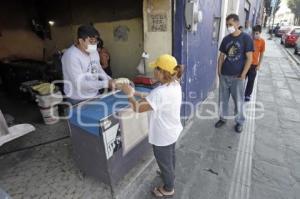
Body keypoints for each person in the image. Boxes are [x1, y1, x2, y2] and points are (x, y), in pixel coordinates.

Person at [120, 54, 183, 197]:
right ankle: (170, 175)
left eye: (156, 68)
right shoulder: (175, 84)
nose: (154, 71)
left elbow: (137, 108)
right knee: (170, 156)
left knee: (164, 161)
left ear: (162, 72)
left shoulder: (160, 92)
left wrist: (129, 94)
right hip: (172, 130)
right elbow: (153, 98)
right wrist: (136, 92)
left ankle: (168, 188)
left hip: (162, 135)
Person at [215, 14, 254, 133]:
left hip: (238, 77)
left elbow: (249, 58)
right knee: (223, 99)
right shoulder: (226, 39)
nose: (229, 27)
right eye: (227, 25)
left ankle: (239, 122)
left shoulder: (246, 38)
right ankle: (222, 118)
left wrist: (243, 74)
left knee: (239, 101)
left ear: (237, 24)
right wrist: (219, 71)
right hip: (225, 75)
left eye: (231, 24)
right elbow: (221, 56)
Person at [62, 25, 115, 105]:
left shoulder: (93, 51)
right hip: (77, 98)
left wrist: (110, 79)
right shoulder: (71, 56)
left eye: (95, 41)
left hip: (94, 94)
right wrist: (106, 83)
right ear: (81, 41)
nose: (94, 45)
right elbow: (80, 84)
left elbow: (98, 68)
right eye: (91, 41)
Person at [245, 25, 265, 101]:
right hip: (246, 63)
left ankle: (247, 95)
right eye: (254, 33)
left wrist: (259, 65)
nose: (255, 35)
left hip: (254, 65)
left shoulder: (262, 42)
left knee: (251, 81)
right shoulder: (249, 39)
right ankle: (239, 92)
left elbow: (262, 53)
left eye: (257, 33)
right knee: (241, 79)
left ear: (260, 33)